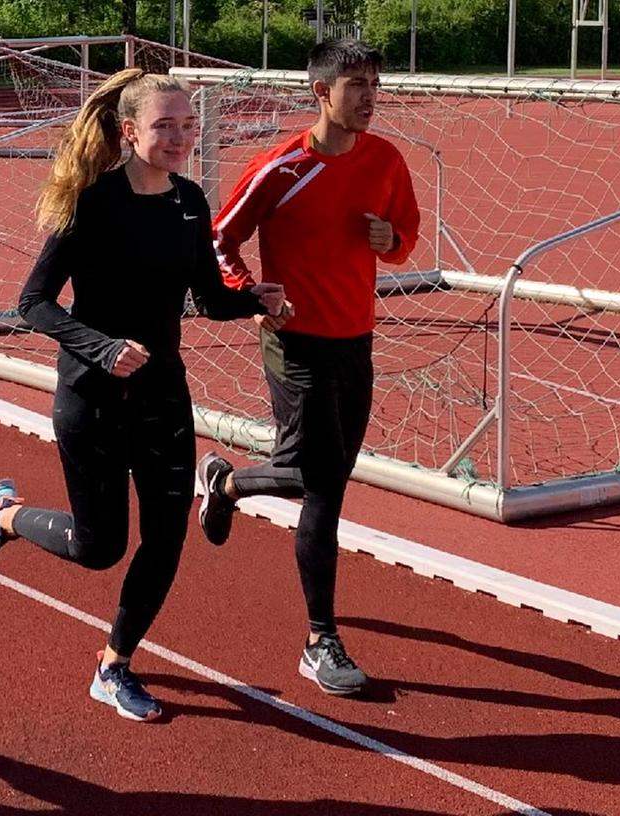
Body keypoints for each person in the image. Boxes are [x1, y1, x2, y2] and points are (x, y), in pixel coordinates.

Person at [0, 69, 289, 722]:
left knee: (166, 537)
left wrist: (253, 300)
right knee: (98, 547)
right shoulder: (89, 203)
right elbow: (31, 303)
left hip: (162, 394)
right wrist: (101, 347)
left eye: (186, 125)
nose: (178, 137)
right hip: (91, 398)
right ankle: (2, 516)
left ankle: (114, 666)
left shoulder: (190, 203)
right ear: (129, 131)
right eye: (164, 126)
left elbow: (205, 295)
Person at [195, 39, 421, 696]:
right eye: (354, 84)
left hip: (356, 339)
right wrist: (245, 294)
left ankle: (227, 486)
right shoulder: (281, 168)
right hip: (292, 341)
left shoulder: (385, 160)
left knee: (327, 481)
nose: (368, 96)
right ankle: (319, 639)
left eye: (374, 83)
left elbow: (405, 235)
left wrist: (391, 241)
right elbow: (218, 239)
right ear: (320, 92)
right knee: (318, 483)